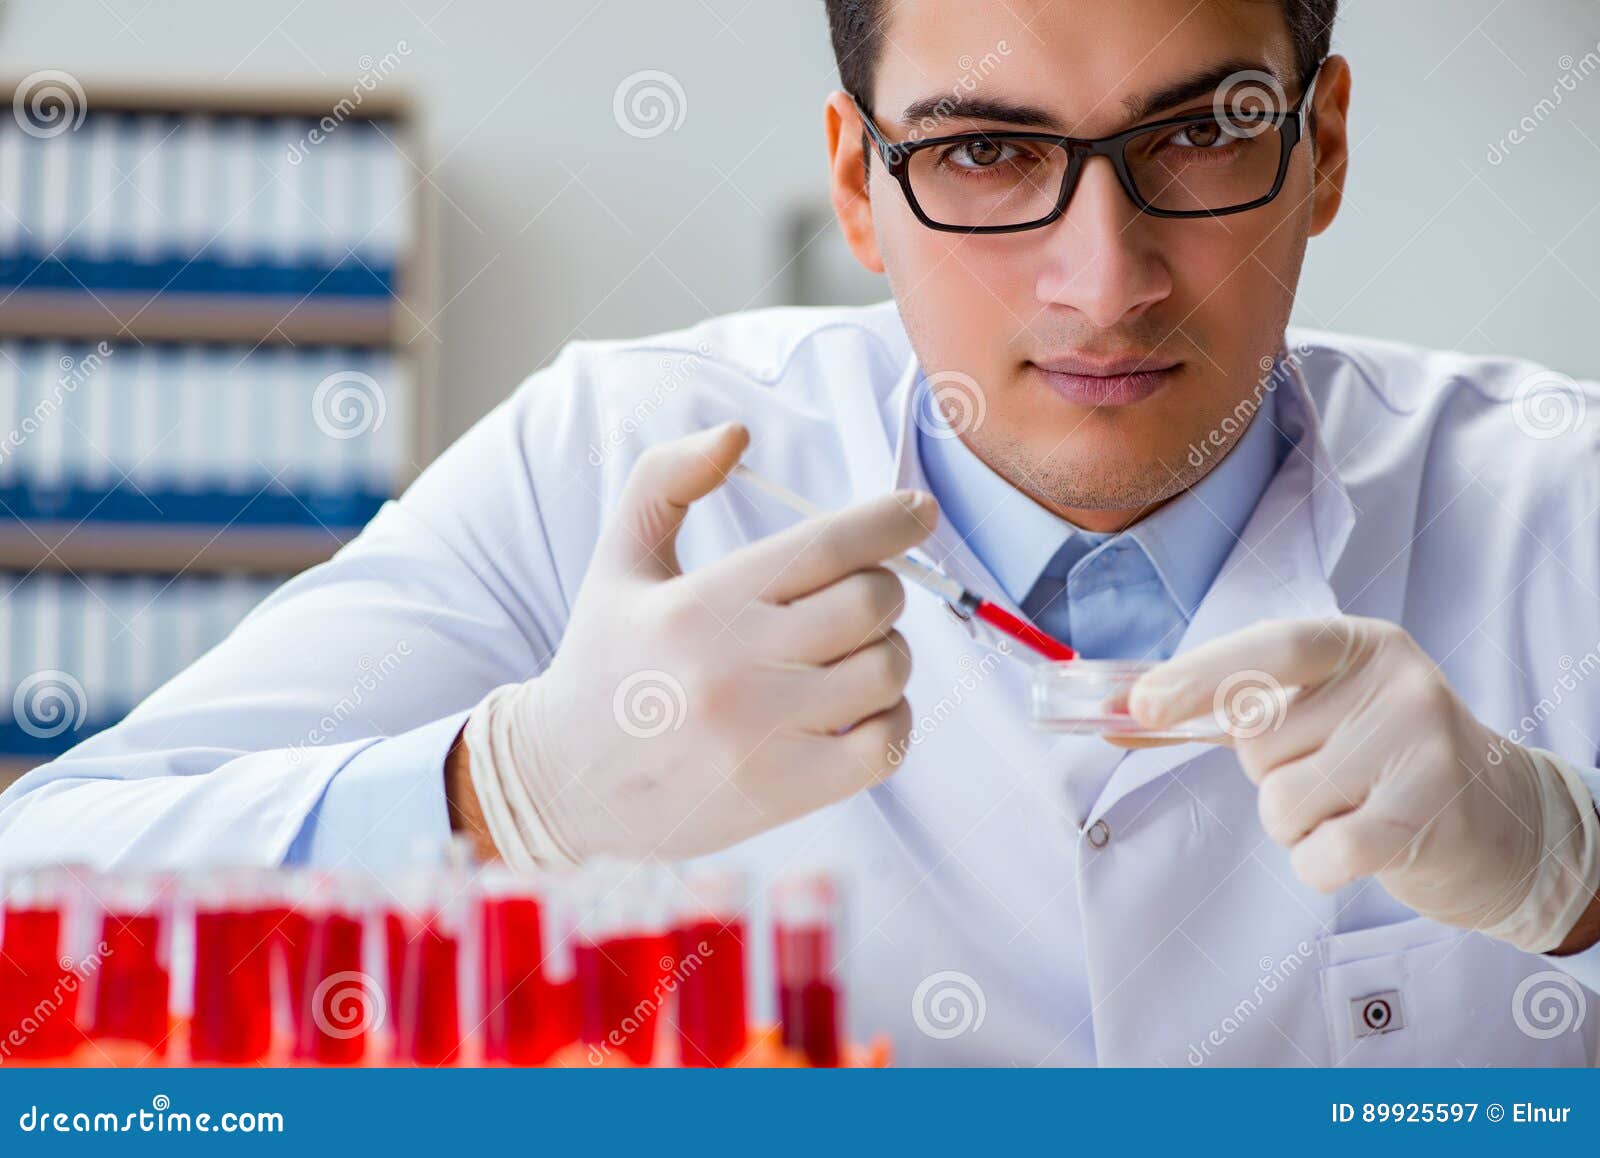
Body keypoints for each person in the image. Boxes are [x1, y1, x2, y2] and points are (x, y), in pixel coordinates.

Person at [4, 0, 1599, 1065]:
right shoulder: (614, 461)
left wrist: (1571, 872)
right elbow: (35, 918)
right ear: (858, 182)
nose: (1103, 281)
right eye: (987, 152)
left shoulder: (1560, 499)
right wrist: (505, 791)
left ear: (1319, 147)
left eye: (1199, 135)